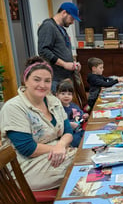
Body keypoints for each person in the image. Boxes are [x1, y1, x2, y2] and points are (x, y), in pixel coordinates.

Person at [0, 56, 77, 191]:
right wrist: (58, 149)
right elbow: (28, 148)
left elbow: (68, 132)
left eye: (47, 81)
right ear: (25, 80)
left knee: (86, 163)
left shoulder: (53, 100)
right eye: (37, 79)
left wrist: (60, 145)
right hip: (25, 167)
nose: (42, 85)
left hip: (56, 154)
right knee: (82, 168)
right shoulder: (13, 108)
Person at [38, 2, 82, 92]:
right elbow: (43, 51)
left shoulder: (61, 29)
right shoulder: (48, 26)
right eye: (72, 18)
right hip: (56, 79)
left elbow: (62, 50)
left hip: (66, 77)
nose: (72, 22)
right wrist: (64, 64)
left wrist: (73, 63)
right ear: (64, 13)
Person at [56, 79, 89, 147]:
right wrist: (69, 124)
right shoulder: (58, 109)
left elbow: (81, 114)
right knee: (78, 143)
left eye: (69, 94)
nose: (66, 96)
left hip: (80, 130)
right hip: (70, 134)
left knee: (89, 136)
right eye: (63, 93)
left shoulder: (74, 105)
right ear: (57, 95)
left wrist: (85, 115)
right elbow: (58, 123)